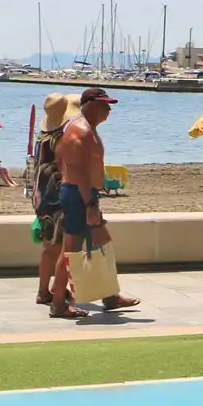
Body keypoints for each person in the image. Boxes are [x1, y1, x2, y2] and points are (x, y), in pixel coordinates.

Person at [55, 86, 140, 312]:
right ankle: (57, 304)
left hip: (83, 193)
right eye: (104, 104)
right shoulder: (80, 131)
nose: (108, 109)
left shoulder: (86, 129)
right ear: (90, 105)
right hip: (78, 195)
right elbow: (77, 169)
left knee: (103, 241)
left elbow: (61, 159)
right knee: (71, 251)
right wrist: (89, 204)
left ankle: (110, 295)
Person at [32, 94, 82, 317]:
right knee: (64, 246)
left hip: (42, 196)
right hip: (59, 195)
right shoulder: (63, 137)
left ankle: (44, 290)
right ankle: (57, 292)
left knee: (48, 246)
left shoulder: (41, 138)